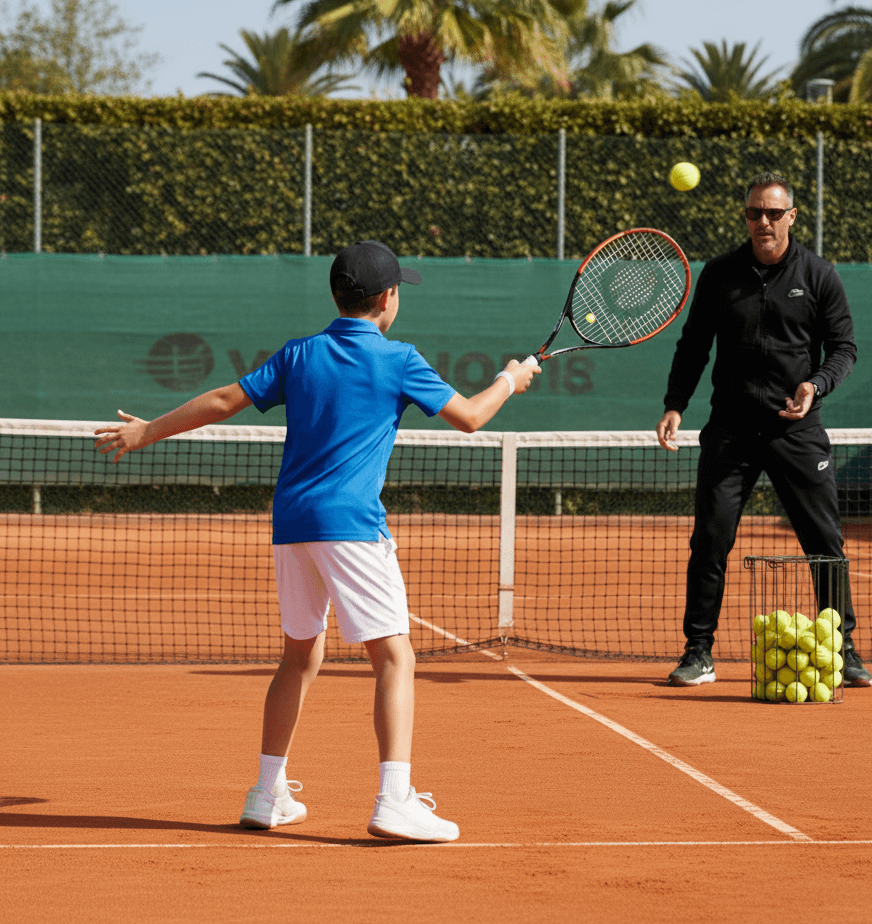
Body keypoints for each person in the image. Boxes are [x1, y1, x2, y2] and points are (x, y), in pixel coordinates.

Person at [94, 239, 540, 842]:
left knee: (299, 656)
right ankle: (394, 799)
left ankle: (266, 792)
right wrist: (510, 379)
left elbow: (224, 400)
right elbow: (470, 417)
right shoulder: (399, 358)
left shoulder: (300, 353)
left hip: (293, 524)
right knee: (395, 656)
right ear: (387, 299)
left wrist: (148, 430)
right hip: (352, 526)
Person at [655, 172, 872, 689]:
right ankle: (699, 652)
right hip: (730, 431)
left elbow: (844, 349)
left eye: (774, 213)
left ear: (792, 217)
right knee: (710, 542)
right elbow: (693, 346)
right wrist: (675, 405)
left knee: (825, 543)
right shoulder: (719, 274)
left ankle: (842, 645)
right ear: (746, 217)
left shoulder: (820, 275)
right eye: (755, 213)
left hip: (796, 432)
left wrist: (815, 386)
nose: (764, 222)